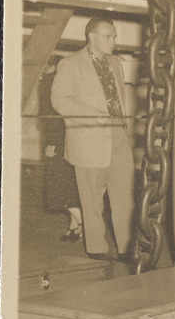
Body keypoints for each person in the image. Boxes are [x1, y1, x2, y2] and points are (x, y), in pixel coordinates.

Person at [51, 18, 135, 262]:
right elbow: (59, 100)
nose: (113, 41)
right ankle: (97, 249)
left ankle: (126, 249)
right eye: (108, 37)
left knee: (125, 196)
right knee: (92, 200)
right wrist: (91, 115)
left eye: (114, 36)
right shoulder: (71, 63)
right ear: (91, 37)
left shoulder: (115, 63)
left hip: (119, 136)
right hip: (89, 139)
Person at [39, 54, 82, 242]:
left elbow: (50, 116)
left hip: (57, 141)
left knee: (57, 185)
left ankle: (82, 222)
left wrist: (51, 142)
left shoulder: (49, 82)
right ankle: (74, 228)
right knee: (67, 181)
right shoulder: (69, 83)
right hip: (70, 139)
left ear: (52, 67)